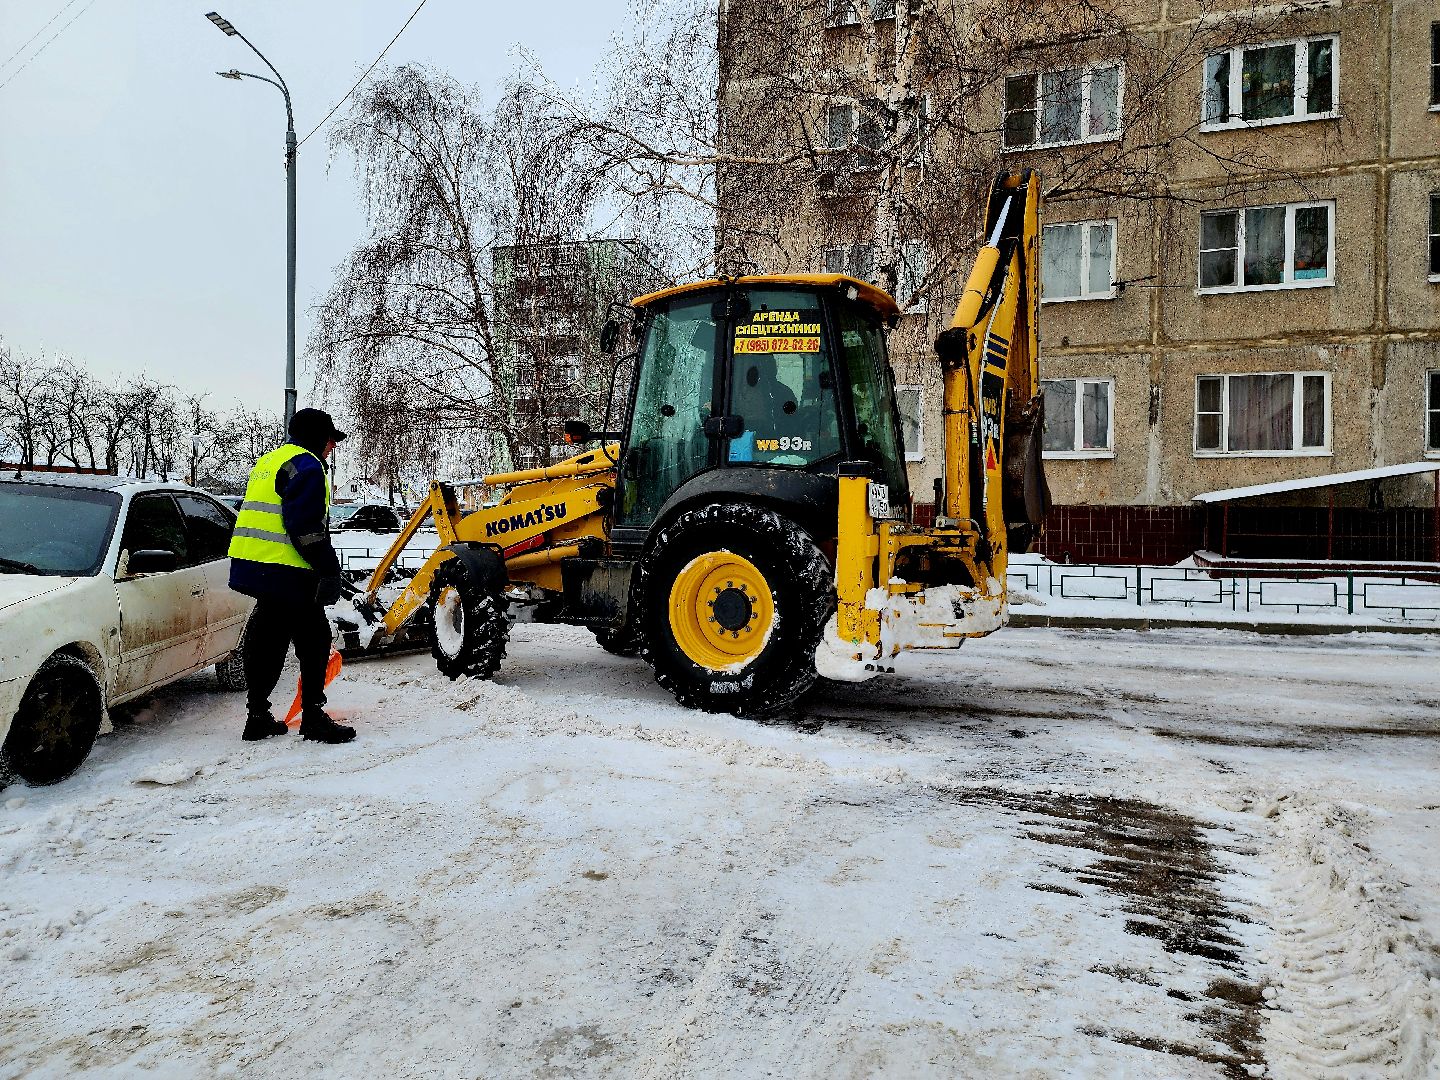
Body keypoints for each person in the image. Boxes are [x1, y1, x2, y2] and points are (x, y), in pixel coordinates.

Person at [227, 408, 355, 744]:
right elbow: (305, 528)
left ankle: (257, 716)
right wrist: (328, 569)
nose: (332, 447)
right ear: (317, 437)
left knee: (266, 637)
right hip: (287, 569)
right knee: (314, 638)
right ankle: (313, 716)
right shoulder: (308, 466)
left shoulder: (269, 461)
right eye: (330, 440)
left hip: (253, 564)